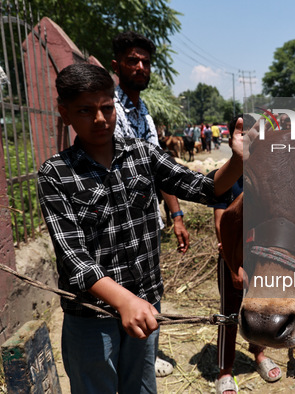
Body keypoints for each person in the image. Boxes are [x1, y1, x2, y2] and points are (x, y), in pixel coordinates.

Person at [38, 63, 243, 394]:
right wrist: (122, 301)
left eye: (106, 107)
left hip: (147, 304)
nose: (100, 119)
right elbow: (73, 257)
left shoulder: (143, 154)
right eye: (85, 110)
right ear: (65, 113)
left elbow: (206, 188)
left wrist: (238, 161)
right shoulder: (56, 173)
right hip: (91, 314)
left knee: (142, 387)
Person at [110, 31, 187, 377]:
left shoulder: (144, 113)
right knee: (118, 293)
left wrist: (177, 214)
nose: (140, 67)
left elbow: (160, 168)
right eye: (132, 60)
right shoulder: (107, 110)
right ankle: (120, 361)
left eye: (145, 62)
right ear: (117, 65)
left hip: (147, 222)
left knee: (149, 287)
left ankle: (144, 356)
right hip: (116, 224)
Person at [211, 115, 281, 394]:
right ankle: (225, 371)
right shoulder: (225, 176)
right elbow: (220, 222)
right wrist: (232, 266)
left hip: (262, 260)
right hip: (234, 258)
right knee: (229, 314)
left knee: (261, 309)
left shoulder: (274, 177)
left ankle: (259, 354)